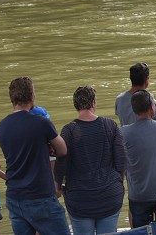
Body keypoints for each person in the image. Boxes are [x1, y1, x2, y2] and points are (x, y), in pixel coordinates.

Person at [0, 77, 70, 235]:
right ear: (31, 96)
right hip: (40, 195)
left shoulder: (1, 127)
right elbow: (62, 150)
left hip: (14, 197)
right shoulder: (41, 122)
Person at [54, 87, 126, 235]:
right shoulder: (110, 125)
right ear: (93, 103)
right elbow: (122, 162)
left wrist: (57, 185)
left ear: (76, 105)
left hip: (80, 199)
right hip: (109, 196)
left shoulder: (69, 131)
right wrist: (117, 182)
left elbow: (62, 163)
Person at [122, 90, 156, 230]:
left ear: (134, 111)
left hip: (139, 195)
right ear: (152, 107)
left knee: (140, 231)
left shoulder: (124, 133)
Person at [115, 63, 156, 127]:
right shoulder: (149, 100)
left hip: (126, 135)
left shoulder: (119, 99)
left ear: (131, 79)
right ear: (146, 80)